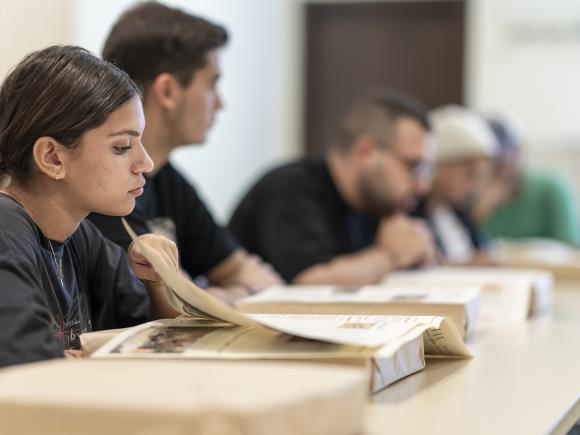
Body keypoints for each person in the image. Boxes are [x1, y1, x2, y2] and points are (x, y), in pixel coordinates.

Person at [0, 45, 181, 368]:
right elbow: (28, 365)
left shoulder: (81, 235)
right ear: (53, 158)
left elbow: (162, 339)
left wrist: (156, 281)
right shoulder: (5, 228)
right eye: (122, 147)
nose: (146, 163)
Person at [88, 1, 281, 304]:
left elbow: (248, 270)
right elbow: (181, 307)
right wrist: (238, 291)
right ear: (167, 91)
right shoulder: (101, 189)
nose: (220, 104)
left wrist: (221, 292)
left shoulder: (167, 179)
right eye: (212, 84)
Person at [229, 89, 437, 286]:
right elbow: (311, 282)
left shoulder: (378, 199)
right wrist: (391, 255)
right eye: (413, 166)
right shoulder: (290, 189)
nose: (422, 185)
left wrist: (419, 253)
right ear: (366, 153)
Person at [471, 117, 580, 247]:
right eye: (495, 160)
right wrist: (479, 211)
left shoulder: (551, 187)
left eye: (508, 156)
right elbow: (465, 248)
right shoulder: (469, 195)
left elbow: (570, 244)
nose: (503, 164)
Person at [412, 105, 499, 264]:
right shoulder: (411, 214)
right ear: (437, 164)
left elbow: (485, 253)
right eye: (468, 172)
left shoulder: (458, 211)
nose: (472, 184)